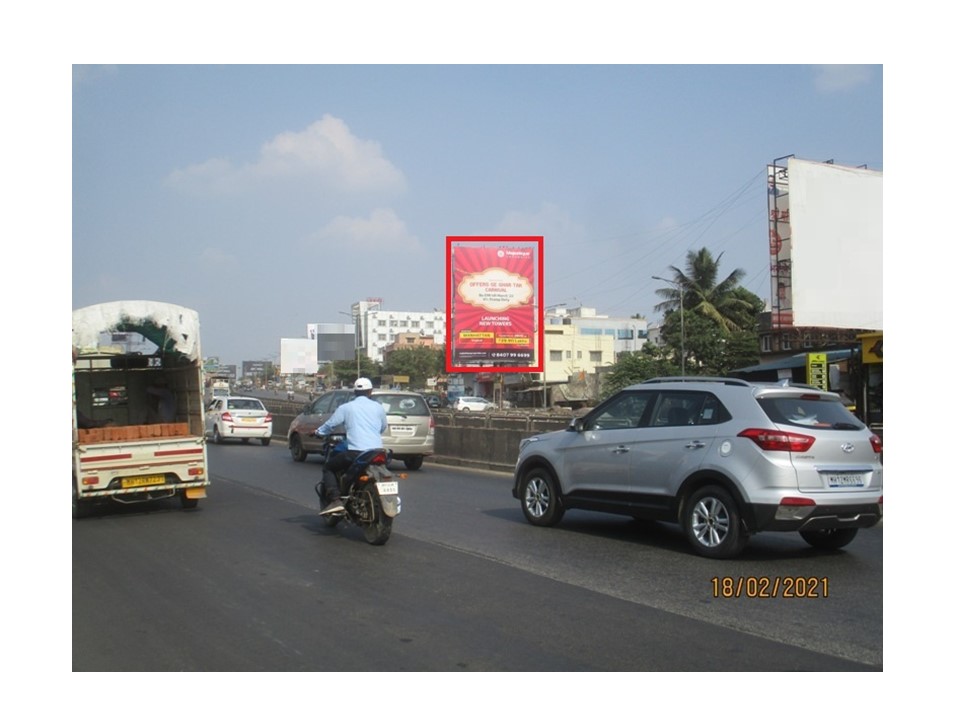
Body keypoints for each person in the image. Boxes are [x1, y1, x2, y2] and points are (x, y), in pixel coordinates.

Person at [313, 377, 387, 515]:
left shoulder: (346, 407)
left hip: (356, 452)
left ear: (355, 392)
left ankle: (335, 500)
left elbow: (330, 425)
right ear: (370, 392)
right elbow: (383, 427)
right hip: (377, 451)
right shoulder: (378, 408)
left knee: (328, 467)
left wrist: (318, 432)